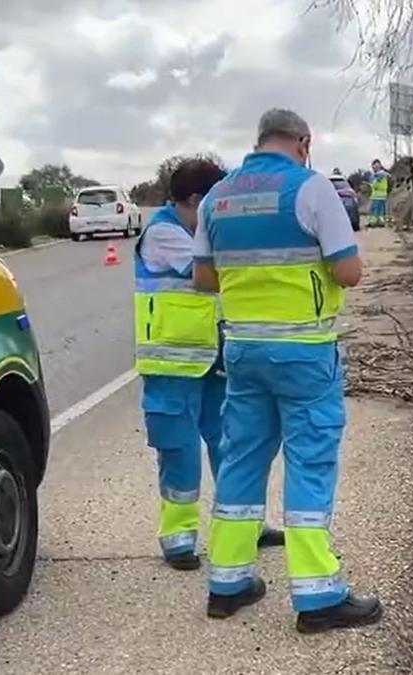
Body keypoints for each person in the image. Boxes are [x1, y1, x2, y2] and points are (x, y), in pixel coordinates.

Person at [193, 109, 383, 633]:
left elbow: (204, 280)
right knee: (310, 460)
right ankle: (317, 595)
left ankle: (227, 583)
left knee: (241, 459)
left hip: (242, 351)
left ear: (258, 142)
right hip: (303, 351)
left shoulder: (217, 197)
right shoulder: (312, 188)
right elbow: (349, 270)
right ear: (303, 141)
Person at [134, 158, 284, 572]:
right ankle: (179, 539)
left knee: (232, 446)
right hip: (173, 366)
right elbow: (210, 273)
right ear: (197, 200)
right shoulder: (164, 232)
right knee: (179, 452)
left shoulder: (199, 228)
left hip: (214, 359)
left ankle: (245, 526)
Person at [368, 159, 390, 228]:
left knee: (375, 210)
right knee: (381, 211)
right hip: (382, 196)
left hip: (377, 196)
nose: (374, 168)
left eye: (374, 167)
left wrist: (372, 184)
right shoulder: (383, 174)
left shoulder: (378, 176)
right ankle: (381, 222)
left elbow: (375, 185)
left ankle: (373, 223)